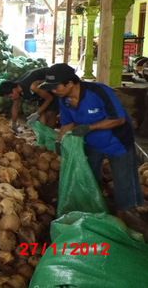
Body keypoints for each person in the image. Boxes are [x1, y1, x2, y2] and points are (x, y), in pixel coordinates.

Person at [40, 63, 144, 225]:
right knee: (87, 173)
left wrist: (90, 127)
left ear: (70, 83)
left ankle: (126, 212)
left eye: (56, 86)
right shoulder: (64, 99)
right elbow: (67, 124)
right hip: (91, 142)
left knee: (123, 178)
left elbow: (119, 119)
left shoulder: (99, 92)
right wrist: (59, 141)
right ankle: (93, 206)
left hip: (117, 141)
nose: (53, 91)